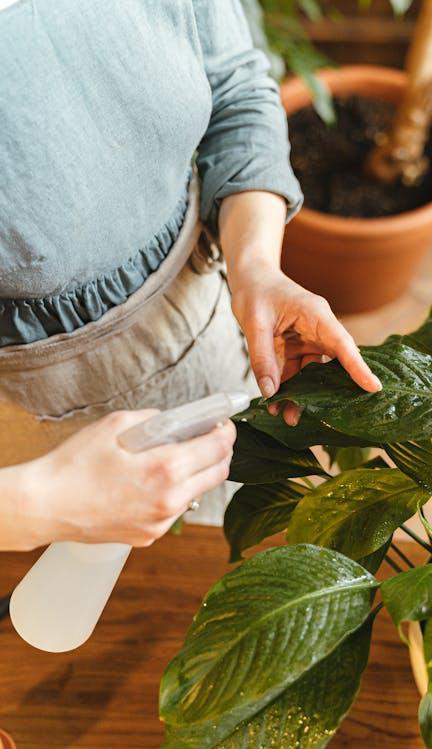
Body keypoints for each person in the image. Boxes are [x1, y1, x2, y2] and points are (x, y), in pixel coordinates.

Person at [0, 0, 381, 552]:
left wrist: (253, 268)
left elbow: (235, 89)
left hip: (212, 321)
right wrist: (41, 506)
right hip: (34, 434)